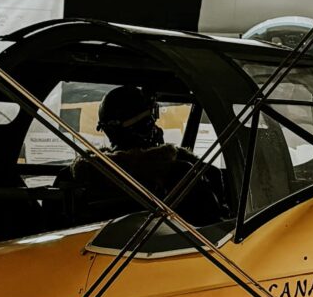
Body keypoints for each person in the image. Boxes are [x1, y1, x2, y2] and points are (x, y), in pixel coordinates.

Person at [65, 83, 225, 221]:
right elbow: (214, 227)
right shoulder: (182, 173)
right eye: (149, 122)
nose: (156, 129)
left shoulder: (76, 176)